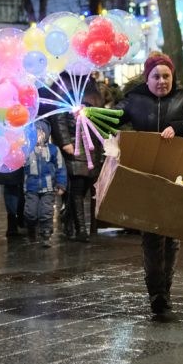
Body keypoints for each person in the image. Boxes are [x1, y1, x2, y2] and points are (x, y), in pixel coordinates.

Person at [115, 52, 183, 320]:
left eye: (166, 76)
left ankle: (164, 290)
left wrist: (178, 127)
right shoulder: (135, 99)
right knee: (152, 236)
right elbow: (112, 117)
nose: (162, 81)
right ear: (147, 78)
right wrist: (88, 114)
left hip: (175, 176)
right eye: (156, 76)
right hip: (145, 176)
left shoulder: (182, 99)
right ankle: (157, 295)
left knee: (171, 235)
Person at [50, 74, 104, 243]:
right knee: (77, 187)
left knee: (85, 184)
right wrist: (65, 141)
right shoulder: (65, 83)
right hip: (75, 142)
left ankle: (68, 218)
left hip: (91, 143)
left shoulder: (90, 82)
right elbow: (58, 116)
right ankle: (81, 229)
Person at [23, 121, 67, 248]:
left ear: (46, 134)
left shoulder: (53, 149)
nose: (38, 136)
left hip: (48, 188)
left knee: (46, 211)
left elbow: (60, 167)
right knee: (30, 212)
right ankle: (31, 227)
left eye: (41, 133)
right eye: (35, 133)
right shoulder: (26, 149)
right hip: (31, 187)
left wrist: (61, 184)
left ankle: (46, 233)